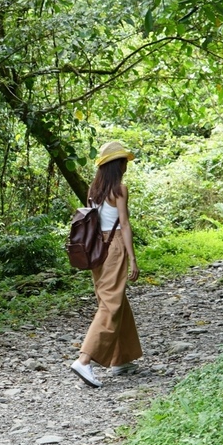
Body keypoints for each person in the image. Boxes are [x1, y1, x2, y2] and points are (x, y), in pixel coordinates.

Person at [70, 141, 143, 388]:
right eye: (123, 162)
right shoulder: (119, 190)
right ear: (116, 165)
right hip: (114, 247)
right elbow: (124, 224)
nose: (126, 166)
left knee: (113, 300)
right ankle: (84, 359)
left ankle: (120, 359)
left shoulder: (95, 190)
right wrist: (132, 257)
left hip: (96, 249)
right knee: (111, 304)